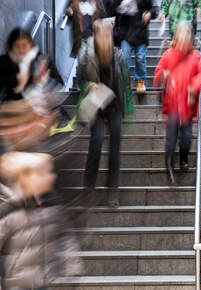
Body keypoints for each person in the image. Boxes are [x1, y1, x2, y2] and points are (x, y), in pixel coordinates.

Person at [0, 152, 82, 290]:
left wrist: (72, 266)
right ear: (25, 177)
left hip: (42, 281)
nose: (52, 176)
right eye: (44, 173)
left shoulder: (52, 206)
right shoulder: (10, 211)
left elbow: (64, 237)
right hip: (15, 284)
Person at [77, 19, 131, 206]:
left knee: (115, 147)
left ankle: (112, 191)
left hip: (114, 104)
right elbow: (79, 81)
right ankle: (88, 190)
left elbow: (125, 83)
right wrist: (89, 86)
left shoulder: (118, 55)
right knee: (97, 141)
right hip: (95, 105)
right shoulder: (86, 54)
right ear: (95, 36)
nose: (105, 39)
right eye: (101, 35)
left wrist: (126, 108)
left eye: (108, 35)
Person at [154, 22, 201, 185]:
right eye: (182, 34)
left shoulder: (196, 56)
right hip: (172, 106)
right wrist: (162, 77)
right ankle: (169, 164)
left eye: (188, 34)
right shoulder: (167, 55)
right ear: (176, 36)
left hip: (187, 108)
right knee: (170, 139)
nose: (185, 37)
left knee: (186, 138)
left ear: (191, 37)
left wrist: (194, 87)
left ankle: (183, 157)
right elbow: (157, 74)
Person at [0, 28, 63, 102]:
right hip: (13, 108)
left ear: (30, 45)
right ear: (11, 46)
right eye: (17, 46)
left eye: (24, 46)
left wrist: (43, 81)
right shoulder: (4, 62)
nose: (21, 50)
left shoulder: (42, 60)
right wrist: (16, 79)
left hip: (37, 106)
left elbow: (59, 83)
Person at [113, 0, 158, 94]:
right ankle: (125, 82)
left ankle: (140, 81)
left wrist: (150, 13)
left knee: (140, 58)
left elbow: (155, 9)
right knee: (124, 59)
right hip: (126, 33)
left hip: (141, 33)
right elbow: (115, 8)